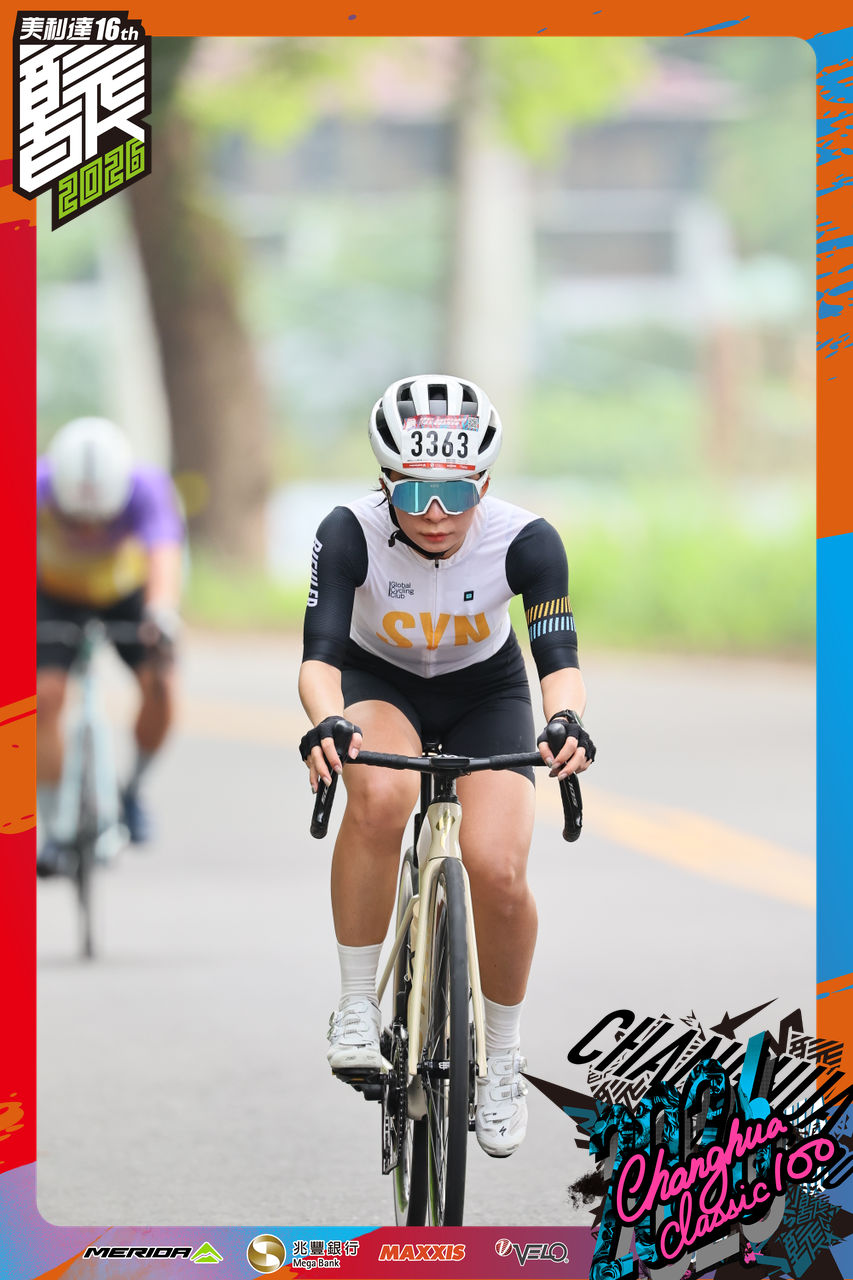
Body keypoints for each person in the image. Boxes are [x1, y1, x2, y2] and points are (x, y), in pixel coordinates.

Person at [297, 374, 596, 1159]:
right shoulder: (348, 531)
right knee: (381, 795)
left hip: (485, 692)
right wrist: (325, 719)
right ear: (385, 480)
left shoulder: (526, 540)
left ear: (483, 484)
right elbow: (319, 658)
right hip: (378, 682)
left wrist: (564, 718)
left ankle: (501, 1057)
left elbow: (557, 657)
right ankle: (356, 1006)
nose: (435, 513)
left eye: (456, 494)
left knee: (497, 867)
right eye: (414, 491)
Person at [36, 417, 184, 875]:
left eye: (100, 520)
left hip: (125, 593)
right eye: (74, 520)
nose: (87, 532)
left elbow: (164, 556)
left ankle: (132, 789)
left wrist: (161, 613)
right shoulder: (32, 484)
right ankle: (55, 825)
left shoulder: (147, 487)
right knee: (42, 698)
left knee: (161, 684)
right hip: (53, 595)